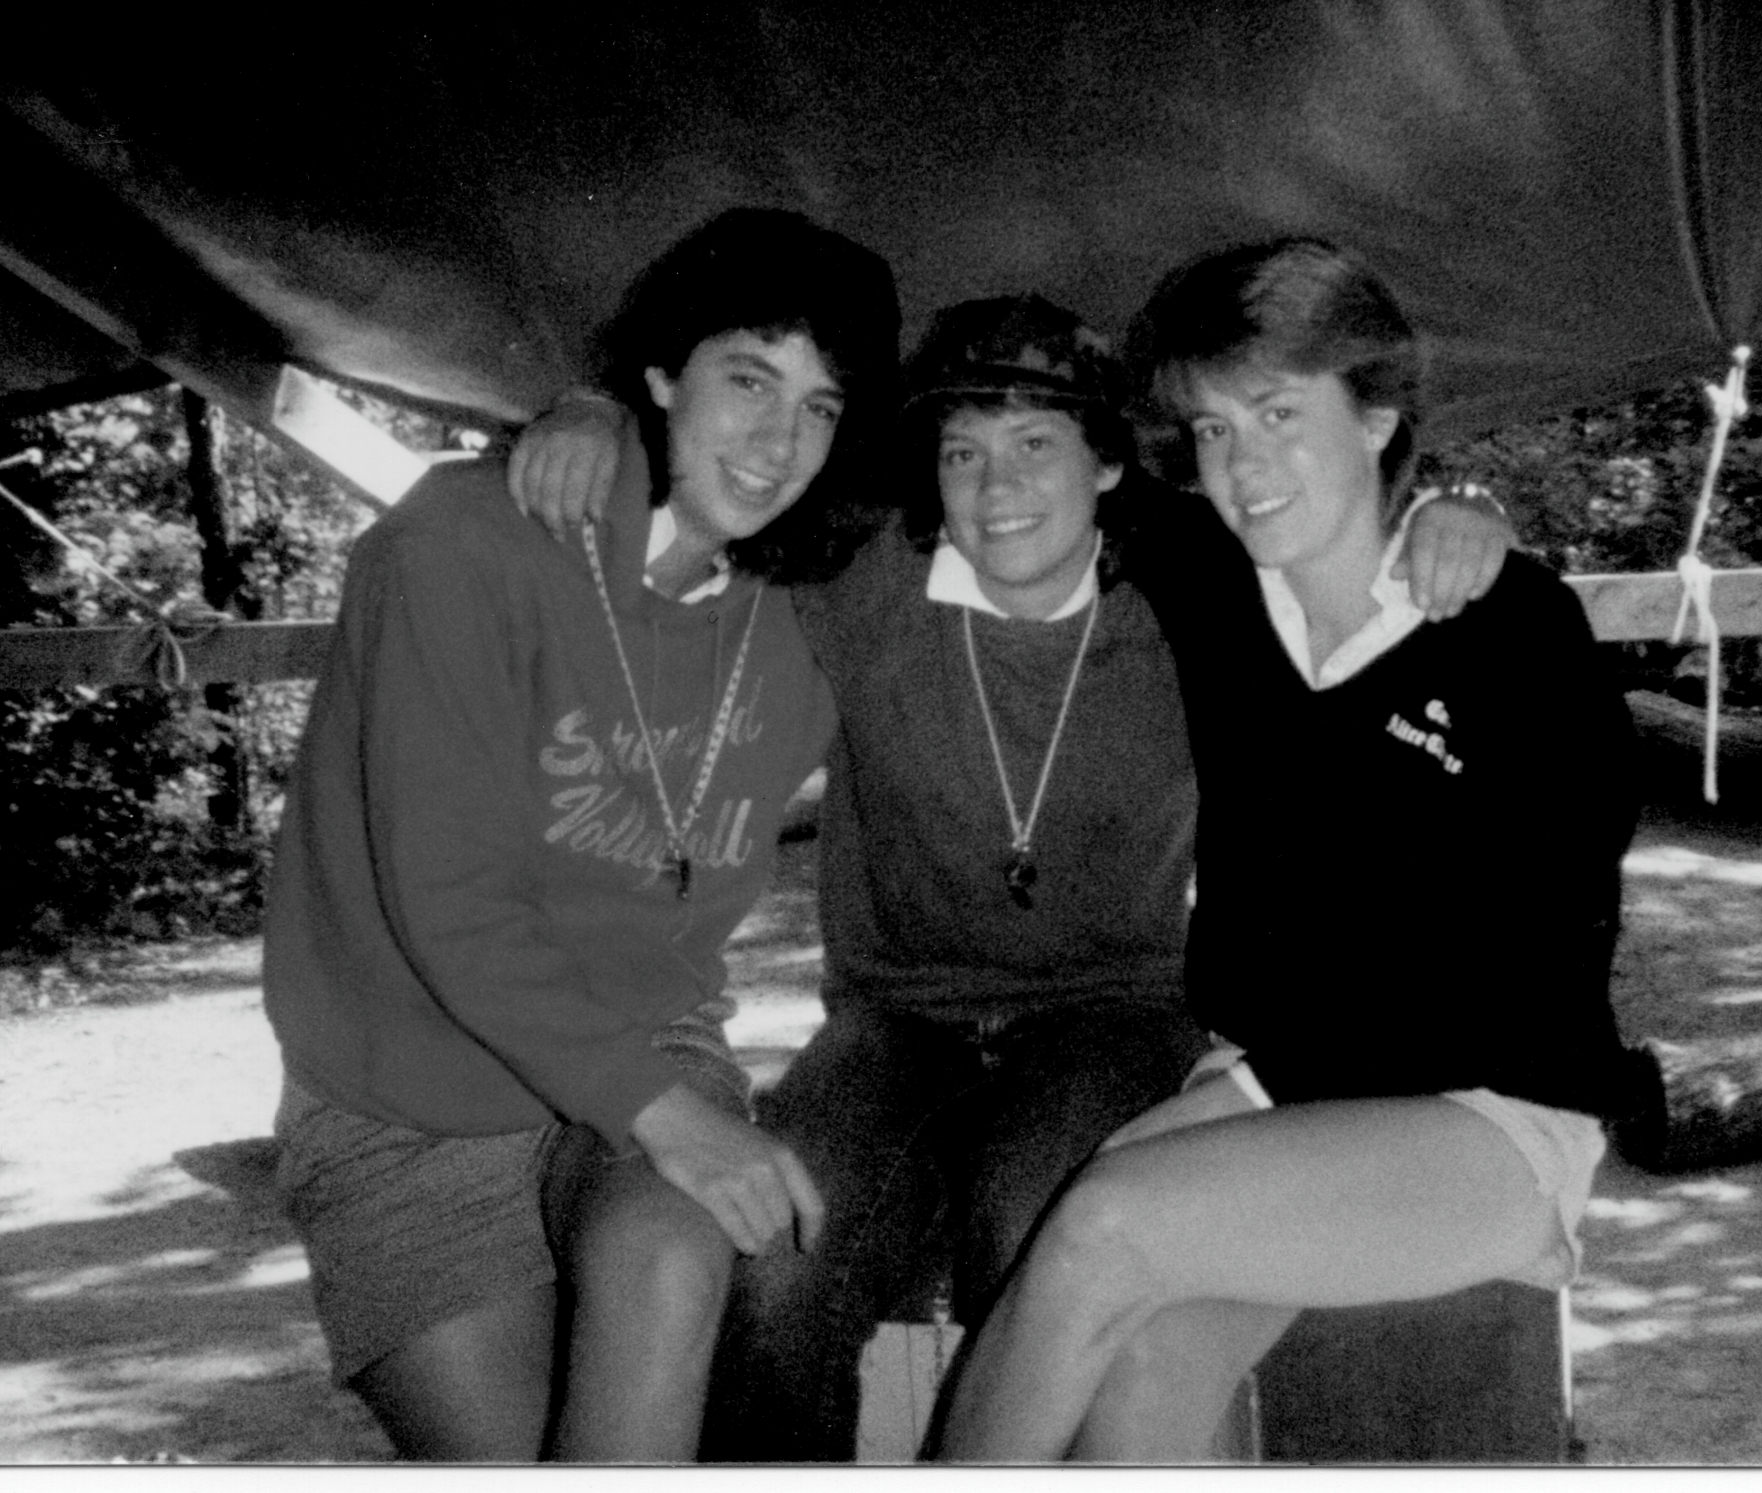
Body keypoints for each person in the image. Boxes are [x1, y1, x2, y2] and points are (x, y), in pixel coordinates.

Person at [509, 288, 1517, 1461]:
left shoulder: (1197, 594)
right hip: (894, 1021)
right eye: (963, 452)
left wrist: (1459, 505)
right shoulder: (864, 582)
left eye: (1037, 444)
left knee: (1038, 1239)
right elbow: (720, 469)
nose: (997, 489)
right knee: (776, 1268)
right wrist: (591, 410)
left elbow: (1343, 521)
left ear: (1104, 466)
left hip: (1114, 1009)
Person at [929, 236, 1641, 1462]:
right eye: (1211, 430)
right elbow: (1031, 446)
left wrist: (1466, 507)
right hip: (1282, 1083)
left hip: (1490, 1113)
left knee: (1102, 1223)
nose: (1243, 465)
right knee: (1139, 1341)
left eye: (1276, 412)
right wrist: (595, 417)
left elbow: (1548, 961)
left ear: (1376, 415)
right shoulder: (1209, 572)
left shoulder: (1513, 633)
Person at [261, 207, 899, 1461]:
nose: (778, 441)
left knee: (671, 1261)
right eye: (749, 378)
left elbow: (1041, 536)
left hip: (644, 1048)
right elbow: (448, 901)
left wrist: (1404, 531)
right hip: (408, 1095)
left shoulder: (803, 614)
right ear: (662, 373)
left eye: (820, 406)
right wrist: (580, 409)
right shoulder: (456, 546)